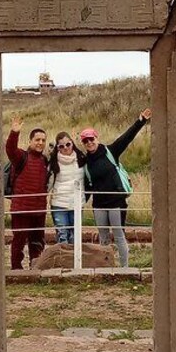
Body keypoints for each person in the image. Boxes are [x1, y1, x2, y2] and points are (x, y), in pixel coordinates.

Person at [81, 108, 152, 268]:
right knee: (103, 238)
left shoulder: (110, 151)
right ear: (83, 144)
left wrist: (140, 121)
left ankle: (125, 268)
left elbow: (127, 138)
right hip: (99, 205)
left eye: (91, 139)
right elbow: (87, 186)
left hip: (116, 202)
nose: (89, 143)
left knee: (119, 235)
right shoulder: (85, 162)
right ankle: (106, 268)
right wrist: (79, 204)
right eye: (85, 141)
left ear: (96, 138)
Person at [6, 116, 49, 270]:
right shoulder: (21, 157)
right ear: (31, 141)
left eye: (43, 140)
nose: (40, 143)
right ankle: (16, 269)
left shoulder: (45, 160)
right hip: (22, 209)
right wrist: (14, 132)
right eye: (37, 140)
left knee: (37, 241)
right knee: (19, 241)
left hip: (39, 210)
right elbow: (10, 149)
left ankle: (36, 268)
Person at [47, 132, 86, 245]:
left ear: (72, 143)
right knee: (62, 236)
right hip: (59, 204)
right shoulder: (53, 162)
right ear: (57, 148)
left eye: (68, 144)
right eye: (61, 146)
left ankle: (75, 262)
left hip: (77, 203)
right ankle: (63, 262)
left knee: (75, 236)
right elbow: (48, 183)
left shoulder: (81, 158)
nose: (65, 148)